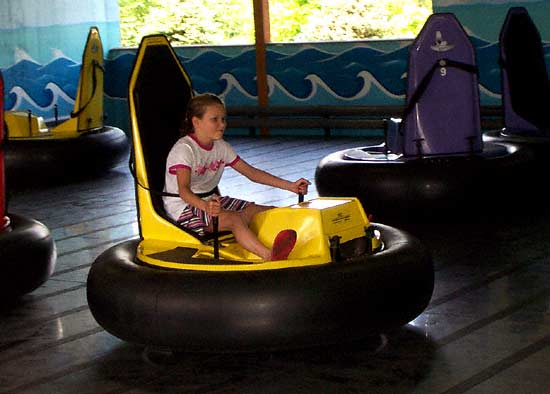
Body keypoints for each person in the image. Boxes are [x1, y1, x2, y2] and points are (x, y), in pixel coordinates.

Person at [163, 93, 310, 261]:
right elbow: (183, 191)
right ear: (196, 122)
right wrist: (206, 206)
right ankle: (269, 256)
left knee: (266, 212)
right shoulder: (184, 149)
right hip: (183, 207)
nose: (222, 125)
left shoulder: (221, 147)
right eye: (215, 120)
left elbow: (252, 173)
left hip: (211, 200)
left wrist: (290, 186)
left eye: (223, 119)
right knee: (234, 219)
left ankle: (295, 247)